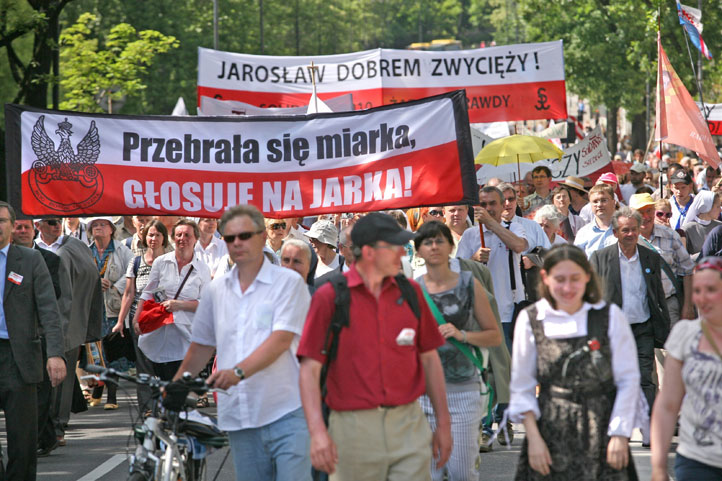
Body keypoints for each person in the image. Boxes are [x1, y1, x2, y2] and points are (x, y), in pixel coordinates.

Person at [298, 213, 452, 480]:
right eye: (394, 246)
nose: (402, 253)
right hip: (352, 431)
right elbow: (309, 371)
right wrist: (317, 432)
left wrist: (444, 423)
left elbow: (430, 360)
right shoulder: (329, 297)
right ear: (369, 252)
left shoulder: (411, 293)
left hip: (409, 426)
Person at [173, 205, 312, 481]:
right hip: (240, 417)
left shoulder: (288, 283)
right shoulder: (216, 290)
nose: (237, 242)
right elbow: (201, 346)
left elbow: (281, 339)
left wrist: (238, 372)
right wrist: (176, 386)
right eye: (230, 237)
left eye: (245, 235)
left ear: (262, 236)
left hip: (286, 412)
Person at [509, 244, 641, 480]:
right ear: (545, 278)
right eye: (559, 279)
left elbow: (628, 380)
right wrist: (534, 439)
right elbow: (522, 386)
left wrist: (620, 434)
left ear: (587, 277)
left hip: (601, 428)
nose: (567, 288)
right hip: (550, 431)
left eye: (575, 279)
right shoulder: (531, 319)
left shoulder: (609, 316)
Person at [414, 220, 501, 480]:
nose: (434, 246)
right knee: (429, 473)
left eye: (440, 240)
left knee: (461, 473)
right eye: (427, 242)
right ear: (418, 250)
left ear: (451, 246)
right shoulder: (413, 290)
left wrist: (462, 335)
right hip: (424, 395)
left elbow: (494, 335)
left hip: (463, 390)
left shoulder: (468, 284)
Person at [0, 202, 66, 479]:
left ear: (12, 226)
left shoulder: (29, 260)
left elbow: (49, 309)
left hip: (18, 356)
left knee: (23, 437)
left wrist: (55, 354)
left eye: (2, 220)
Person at [590, 208, 671, 417]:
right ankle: (616, 424)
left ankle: (648, 425)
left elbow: (657, 293)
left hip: (643, 328)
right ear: (615, 232)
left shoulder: (650, 257)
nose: (631, 234)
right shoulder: (600, 258)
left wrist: (663, 323)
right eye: (625, 230)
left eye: (634, 229)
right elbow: (590, 296)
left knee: (645, 378)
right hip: (613, 331)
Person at [650, 256, 722, 481]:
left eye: (711, 290)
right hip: (696, 460)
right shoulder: (685, 334)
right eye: (697, 290)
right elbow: (668, 405)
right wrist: (659, 467)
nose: (702, 298)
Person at [133, 219, 210, 381]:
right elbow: (148, 293)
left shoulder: (202, 269)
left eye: (187, 235)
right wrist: (137, 317)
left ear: (196, 239)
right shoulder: (161, 262)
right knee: (164, 382)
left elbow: (206, 304)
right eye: (179, 235)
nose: (182, 239)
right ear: (173, 238)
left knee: (181, 385)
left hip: (187, 335)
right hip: (161, 333)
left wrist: (179, 305)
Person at [113, 220, 170, 411]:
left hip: (163, 319)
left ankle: (166, 407)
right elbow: (129, 293)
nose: (153, 239)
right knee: (143, 365)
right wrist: (120, 321)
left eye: (157, 235)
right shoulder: (136, 261)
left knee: (164, 363)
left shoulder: (170, 261)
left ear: (164, 238)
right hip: (139, 320)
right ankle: (147, 408)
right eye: (150, 235)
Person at [574, 184, 618, 257]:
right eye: (595, 201)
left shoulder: (624, 229)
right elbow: (577, 260)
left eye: (604, 200)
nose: (599, 205)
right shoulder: (583, 233)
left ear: (613, 203)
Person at [682, 191, 721, 260]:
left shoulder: (719, 227)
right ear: (707, 207)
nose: (720, 210)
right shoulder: (687, 229)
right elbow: (683, 258)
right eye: (718, 206)